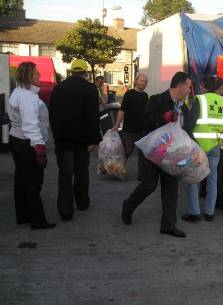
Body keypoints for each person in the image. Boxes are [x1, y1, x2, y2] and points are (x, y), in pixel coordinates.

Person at [121, 71, 192, 238]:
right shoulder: (156, 100)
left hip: (173, 154)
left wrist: (193, 150)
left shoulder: (185, 108)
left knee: (171, 188)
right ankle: (128, 206)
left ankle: (168, 225)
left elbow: (187, 131)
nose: (189, 90)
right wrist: (164, 118)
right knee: (149, 185)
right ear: (180, 86)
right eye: (188, 87)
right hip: (153, 152)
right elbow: (144, 122)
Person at [49, 59, 101, 221]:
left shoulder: (58, 88)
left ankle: (65, 210)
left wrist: (56, 135)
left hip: (63, 140)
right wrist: (94, 140)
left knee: (65, 173)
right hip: (82, 141)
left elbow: (52, 113)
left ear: (71, 71)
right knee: (81, 171)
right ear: (85, 72)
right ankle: (82, 202)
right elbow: (92, 117)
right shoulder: (90, 89)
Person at [8, 62, 56, 229]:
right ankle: (37, 220)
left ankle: (23, 215)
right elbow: (30, 124)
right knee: (33, 183)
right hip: (27, 143)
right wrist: (39, 148)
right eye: (36, 74)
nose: (39, 76)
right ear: (28, 76)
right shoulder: (26, 97)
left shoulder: (19, 92)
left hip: (17, 139)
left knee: (21, 180)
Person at [181, 75, 223, 223]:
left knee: (193, 178)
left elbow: (188, 124)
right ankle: (210, 212)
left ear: (204, 85)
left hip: (199, 146)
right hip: (215, 145)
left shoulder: (200, 100)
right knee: (212, 179)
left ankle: (194, 212)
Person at [111, 73, 149, 158]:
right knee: (125, 153)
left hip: (142, 131)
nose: (144, 83)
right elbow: (122, 110)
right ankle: (116, 169)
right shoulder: (129, 94)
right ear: (136, 81)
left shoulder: (145, 96)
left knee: (144, 155)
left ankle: (143, 171)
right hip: (129, 130)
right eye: (142, 81)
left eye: (146, 82)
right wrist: (117, 125)